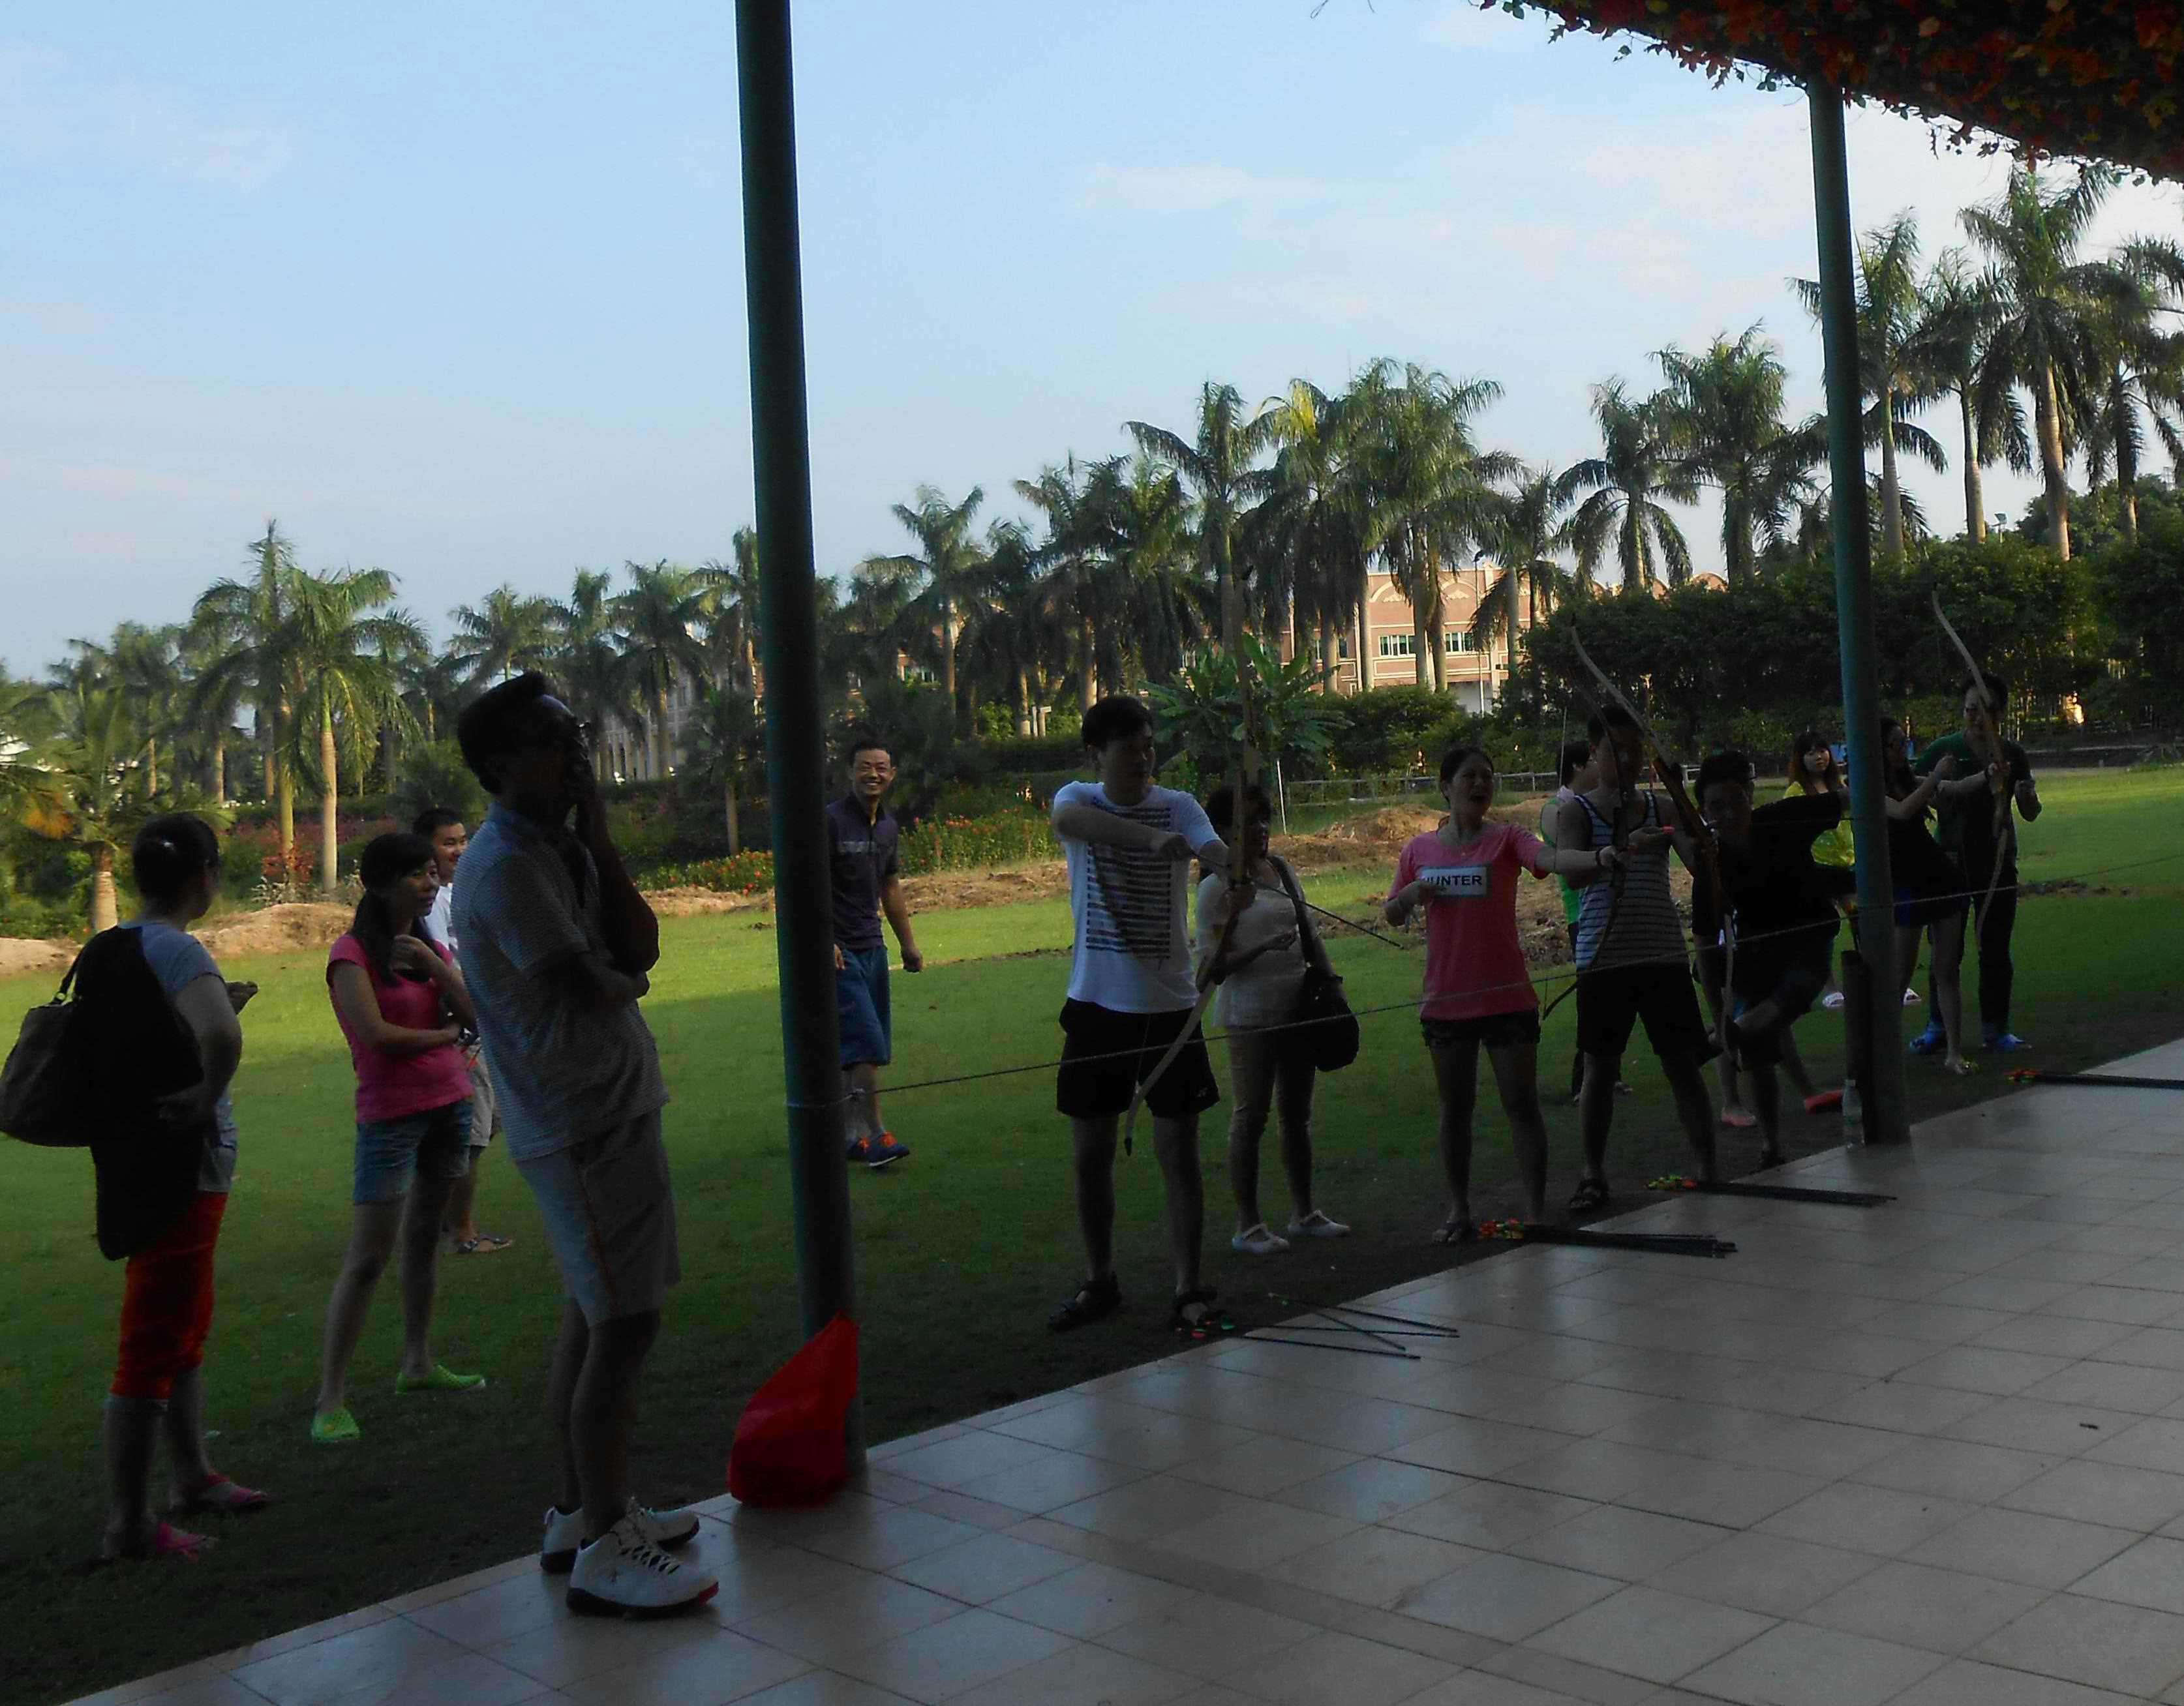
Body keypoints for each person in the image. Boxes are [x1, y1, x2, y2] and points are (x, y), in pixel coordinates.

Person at [453, 674, 714, 1617]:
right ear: (498, 767)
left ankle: (578, 1512)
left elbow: (637, 950)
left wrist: (597, 831)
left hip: (604, 1107)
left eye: (578, 736)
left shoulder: (557, 847)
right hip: (579, 1121)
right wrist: (620, 978)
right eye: (554, 742)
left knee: (592, 1311)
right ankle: (608, 1545)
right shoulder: (505, 867)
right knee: (624, 1324)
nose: (576, 755)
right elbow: (585, 981)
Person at [100, 815, 267, 1561]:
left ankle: (193, 1475)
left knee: (183, 1327)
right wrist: (205, 1096)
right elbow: (221, 1038)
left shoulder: (113, 945)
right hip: (183, 1165)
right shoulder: (178, 949)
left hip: (134, 1158)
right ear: (204, 876)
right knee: (154, 1339)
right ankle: (130, 1523)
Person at [1046, 695, 1232, 1337]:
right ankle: (1100, 1280)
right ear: (1096, 755)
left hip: (1170, 1007)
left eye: (1149, 747)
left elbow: (1212, 847)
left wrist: (1232, 866)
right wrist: (1152, 840)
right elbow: (1073, 823)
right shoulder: (1077, 798)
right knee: (1090, 1155)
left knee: (1179, 1152)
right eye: (1129, 750)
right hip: (1096, 1004)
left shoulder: (1179, 804)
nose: (1144, 760)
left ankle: (1189, 1288)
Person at [312, 832, 486, 1445]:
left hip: (449, 1107)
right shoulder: (351, 955)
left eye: (432, 872)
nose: (431, 882)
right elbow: (377, 1036)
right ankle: (330, 1400)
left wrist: (437, 967)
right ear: (380, 883)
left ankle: (417, 1362)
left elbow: (476, 1014)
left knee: (422, 1242)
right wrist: (444, 1038)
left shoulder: (426, 947)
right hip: (391, 1117)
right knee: (368, 1258)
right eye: (418, 873)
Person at [1389, 745, 1598, 1236]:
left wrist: (1599, 858)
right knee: (1455, 1111)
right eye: (1469, 776)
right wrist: (1409, 895)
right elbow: (1393, 913)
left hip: (1507, 998)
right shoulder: (1418, 851)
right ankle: (1458, 1211)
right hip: (1446, 1000)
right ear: (1445, 787)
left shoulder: (1508, 838)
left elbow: (1549, 858)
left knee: (1521, 1106)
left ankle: (1536, 1212)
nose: (1481, 784)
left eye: (1487, 776)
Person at [1555, 706, 1720, 1211]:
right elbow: (1572, 873)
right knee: (1600, 1071)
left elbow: (1700, 865)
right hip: (1604, 958)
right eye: (1615, 751)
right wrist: (1622, 851)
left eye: (1635, 751)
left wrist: (1694, 825)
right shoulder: (1576, 812)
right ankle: (1592, 1175)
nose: (1626, 761)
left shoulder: (1661, 807)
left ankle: (1709, 1167)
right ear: (1594, 754)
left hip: (1662, 953)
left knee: (1683, 1065)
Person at [1196, 781, 1346, 1257]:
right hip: (1250, 1016)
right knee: (1251, 1116)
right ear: (1223, 831)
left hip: (1298, 1007)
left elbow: (1309, 932)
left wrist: (1331, 982)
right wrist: (1259, 944)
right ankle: (1248, 1224)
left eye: (1264, 819)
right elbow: (1212, 968)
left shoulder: (1280, 869)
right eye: (1248, 822)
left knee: (1296, 1115)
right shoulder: (1215, 888)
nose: (1261, 829)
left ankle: (1304, 1212)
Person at [1691, 751, 1846, 1167]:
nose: (1729, 814)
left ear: (1750, 795)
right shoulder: (1712, 864)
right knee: (1758, 1048)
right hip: (1756, 955)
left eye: (1736, 801)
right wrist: (1718, 1010)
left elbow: (1844, 800)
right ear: (1704, 813)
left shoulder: (1784, 817)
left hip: (1810, 939)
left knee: (1791, 995)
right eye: (1716, 807)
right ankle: (1771, 1146)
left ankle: (1719, 1040)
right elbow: (1704, 944)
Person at [1913, 674, 2043, 1053]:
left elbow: (2030, 811)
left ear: (2000, 713)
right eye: (1971, 709)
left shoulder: (2013, 753)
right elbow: (1920, 792)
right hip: (1950, 862)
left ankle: (1996, 1028)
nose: (1977, 718)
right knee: (1945, 953)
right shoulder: (1944, 750)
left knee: (1996, 948)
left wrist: (2026, 796)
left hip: (1997, 861)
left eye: (1987, 710)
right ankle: (1938, 1027)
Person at [416, 806, 513, 1255]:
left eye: (462, 840)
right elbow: (443, 965)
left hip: (484, 1023)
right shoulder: (429, 902)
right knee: (470, 1134)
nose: (459, 850)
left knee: (486, 1125)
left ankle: (437, 1216)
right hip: (464, 1031)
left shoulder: (459, 892)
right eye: (448, 842)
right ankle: (464, 1233)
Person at [828, 734, 921, 1169]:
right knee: (865, 1043)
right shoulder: (829, 821)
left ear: (892, 774)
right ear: (849, 772)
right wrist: (824, 941)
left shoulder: (887, 827)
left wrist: (908, 945)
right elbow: (805, 887)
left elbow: (890, 887)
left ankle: (848, 1137)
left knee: (858, 1049)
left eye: (881, 767)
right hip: (839, 952)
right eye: (865, 766)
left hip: (873, 947)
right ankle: (878, 1135)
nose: (874, 774)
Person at [1883, 719, 1976, 1075]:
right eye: (1894, 743)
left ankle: (1955, 1052)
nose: (1901, 749)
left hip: (1938, 875)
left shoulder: (1910, 779)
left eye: (1903, 742)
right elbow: (1902, 811)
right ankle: (1887, 1056)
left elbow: (1955, 788)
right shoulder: (1868, 784)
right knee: (1900, 975)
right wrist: (1936, 776)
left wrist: (1989, 775)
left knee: (1947, 969)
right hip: (1906, 882)